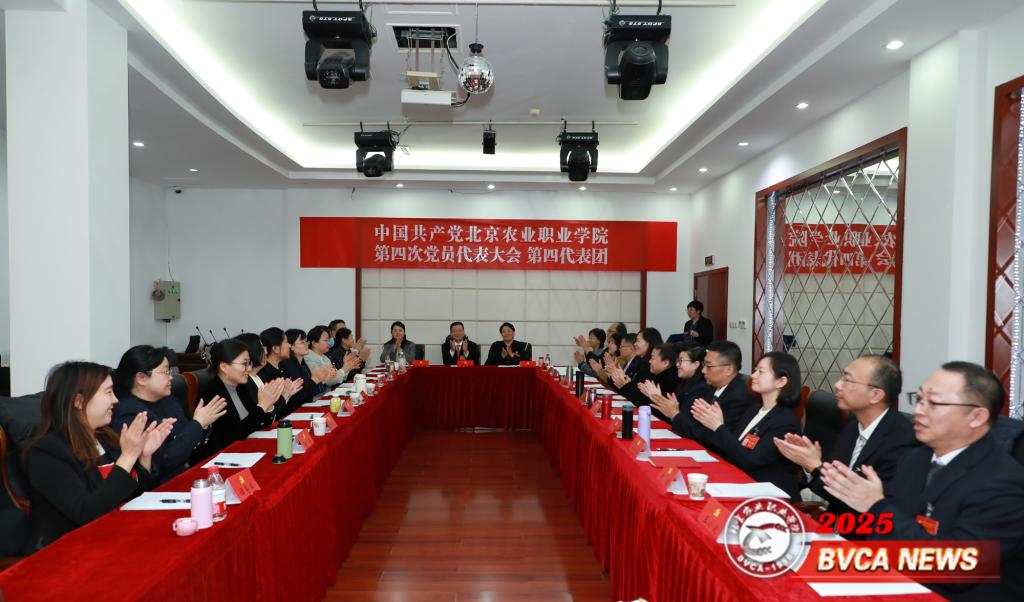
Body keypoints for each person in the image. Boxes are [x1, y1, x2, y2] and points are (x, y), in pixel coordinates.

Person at [821, 361, 1024, 601]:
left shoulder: (1004, 482)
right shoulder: (914, 459)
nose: (919, 410)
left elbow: (956, 567)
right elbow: (887, 537)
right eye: (918, 399)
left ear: (977, 416)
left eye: (934, 403)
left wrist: (876, 506)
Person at [22, 362, 175, 552]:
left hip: (114, 537)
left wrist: (144, 456)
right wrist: (128, 457)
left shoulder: (105, 437)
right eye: (108, 392)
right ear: (79, 401)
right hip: (68, 551)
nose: (115, 400)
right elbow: (88, 513)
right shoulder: (47, 453)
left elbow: (135, 497)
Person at [774, 355, 916, 517]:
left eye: (848, 380)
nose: (837, 385)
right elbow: (832, 494)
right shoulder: (852, 428)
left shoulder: (901, 441)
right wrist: (811, 463)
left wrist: (815, 466)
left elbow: (864, 506)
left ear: (875, 395)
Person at [688, 352, 803, 499]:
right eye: (755, 370)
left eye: (761, 372)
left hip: (769, 495)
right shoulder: (754, 409)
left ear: (781, 381)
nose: (753, 375)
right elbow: (734, 448)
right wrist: (714, 425)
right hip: (741, 481)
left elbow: (750, 461)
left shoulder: (785, 421)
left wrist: (718, 427)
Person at [112, 345, 227, 483]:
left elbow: (190, 445)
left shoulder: (167, 400)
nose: (171, 377)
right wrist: (198, 424)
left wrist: (203, 425)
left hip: (189, 475)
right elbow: (164, 462)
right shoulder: (130, 415)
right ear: (141, 378)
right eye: (165, 371)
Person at [201, 339, 286, 456]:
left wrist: (268, 405)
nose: (249, 369)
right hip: (223, 456)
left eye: (249, 363)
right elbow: (235, 434)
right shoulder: (213, 394)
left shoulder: (241, 387)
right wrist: (262, 406)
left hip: (248, 449)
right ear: (224, 367)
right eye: (244, 364)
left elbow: (259, 423)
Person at [650, 342, 715, 433]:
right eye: (678, 360)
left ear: (695, 364)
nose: (677, 364)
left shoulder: (702, 389)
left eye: (681, 361)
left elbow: (688, 424)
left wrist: (660, 399)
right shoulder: (683, 382)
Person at [690, 340, 754, 432]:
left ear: (728, 370)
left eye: (709, 366)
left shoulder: (739, 398)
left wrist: (675, 415)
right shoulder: (710, 387)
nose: (703, 370)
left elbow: (713, 435)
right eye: (704, 364)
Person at [237, 332, 302, 418]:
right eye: (261, 347)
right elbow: (261, 416)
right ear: (252, 351)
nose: (266, 351)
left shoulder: (259, 376)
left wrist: (285, 395)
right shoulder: (245, 383)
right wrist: (284, 396)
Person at [612, 343, 679, 409]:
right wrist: (625, 383)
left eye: (652, 358)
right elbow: (639, 395)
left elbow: (647, 405)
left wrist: (626, 386)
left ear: (665, 363)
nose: (649, 361)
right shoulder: (654, 374)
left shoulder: (671, 381)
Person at [281, 328, 337, 400]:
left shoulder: (303, 363)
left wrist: (323, 380)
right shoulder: (289, 365)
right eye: (302, 342)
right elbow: (300, 395)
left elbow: (312, 390)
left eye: (306, 341)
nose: (307, 344)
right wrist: (316, 379)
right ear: (291, 347)